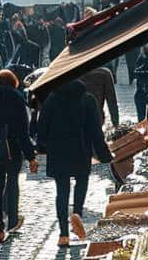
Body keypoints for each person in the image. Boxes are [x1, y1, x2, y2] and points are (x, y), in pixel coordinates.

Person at [37, 78, 113, 246]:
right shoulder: (87, 99)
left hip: (58, 151)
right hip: (81, 150)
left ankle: (63, 234)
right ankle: (77, 214)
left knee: (61, 190)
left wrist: (42, 146)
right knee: (81, 182)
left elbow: (41, 128)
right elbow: (95, 131)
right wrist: (104, 154)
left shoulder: (52, 99)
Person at [0, 69, 37, 243]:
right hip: (13, 149)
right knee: (12, 184)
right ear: (14, 82)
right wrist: (31, 156)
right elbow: (23, 131)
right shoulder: (18, 98)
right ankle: (12, 221)